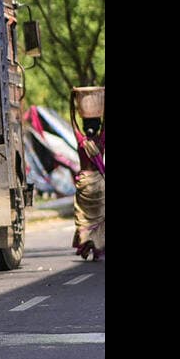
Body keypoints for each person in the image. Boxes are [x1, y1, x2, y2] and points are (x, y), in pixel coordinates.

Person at [70, 98, 105, 262]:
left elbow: (73, 122)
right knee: (99, 218)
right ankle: (96, 246)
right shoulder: (101, 141)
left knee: (84, 217)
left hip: (84, 183)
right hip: (98, 183)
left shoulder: (81, 141)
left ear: (83, 127)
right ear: (99, 126)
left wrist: (73, 101)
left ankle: (85, 244)